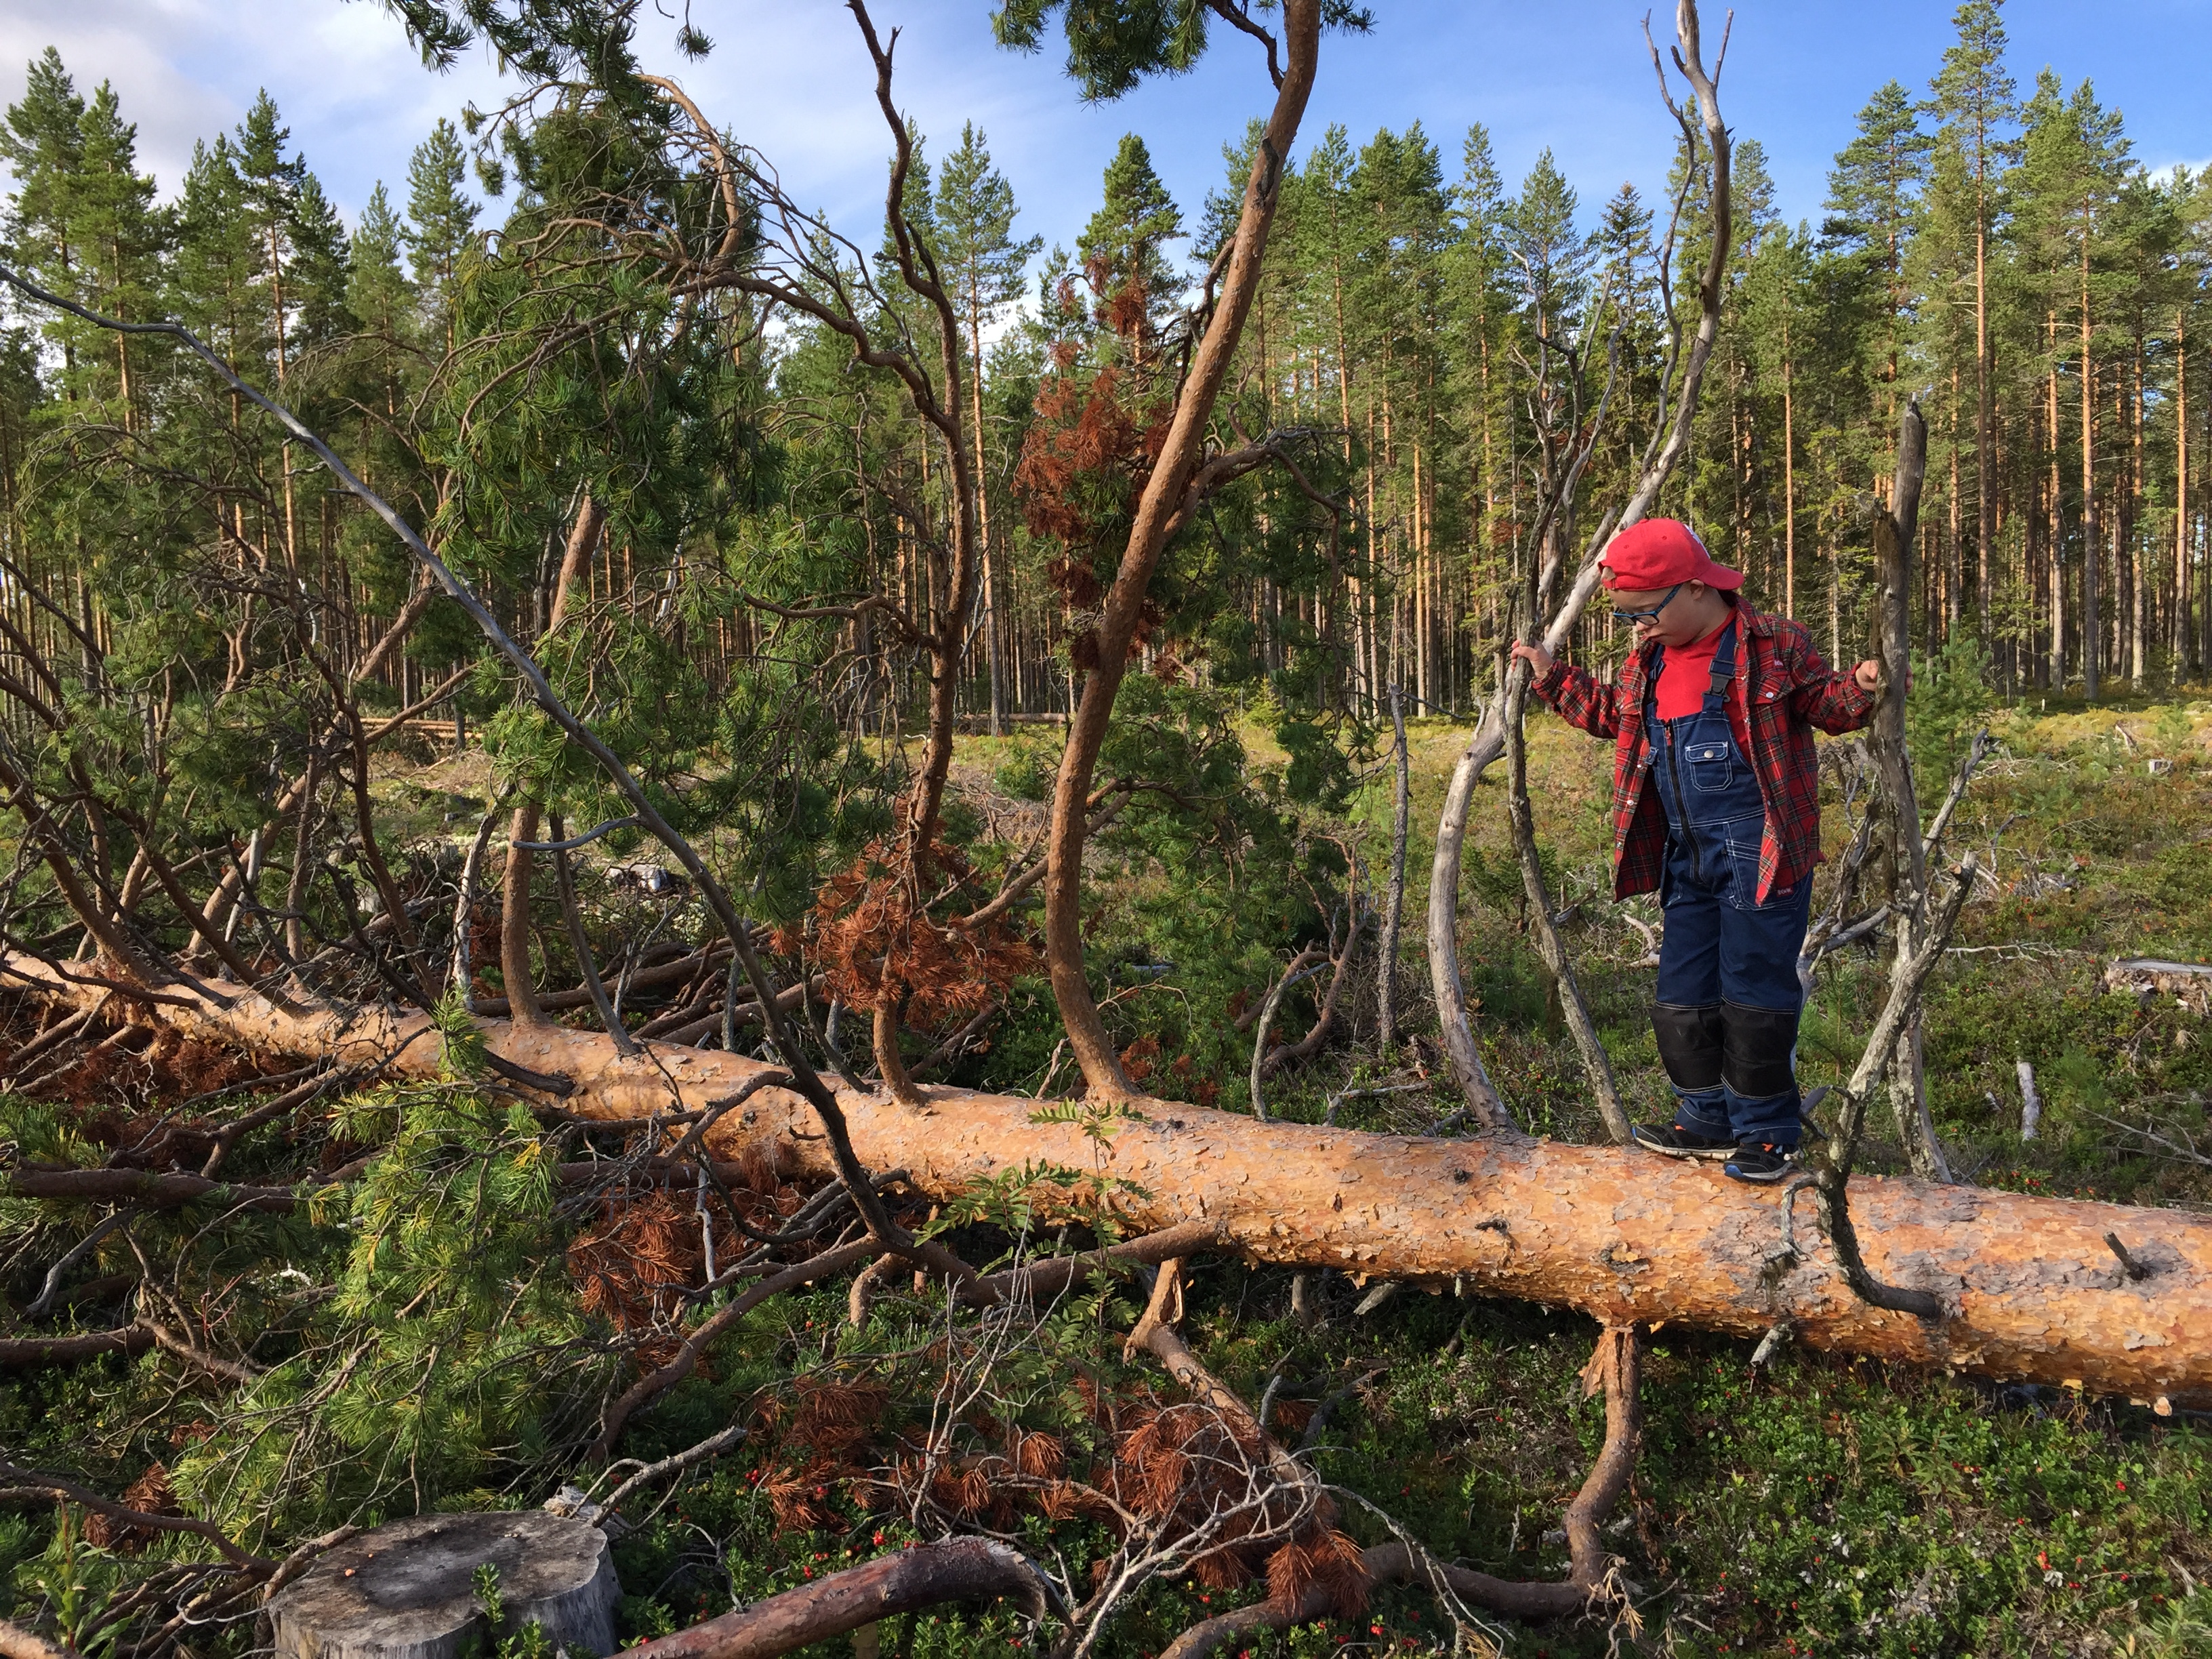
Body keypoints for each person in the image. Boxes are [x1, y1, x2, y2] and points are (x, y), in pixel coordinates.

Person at [1509, 518, 1883, 1183]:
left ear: (1696, 588)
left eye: (1645, 613)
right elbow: (1611, 714)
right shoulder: (1648, 663)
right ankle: (1706, 1115)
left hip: (1760, 853)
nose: (1638, 628)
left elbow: (1830, 705)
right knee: (1681, 995)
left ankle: (1767, 1132)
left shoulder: (1775, 646)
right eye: (1627, 618)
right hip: (1685, 855)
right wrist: (1551, 677)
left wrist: (1865, 684)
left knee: (1753, 994)